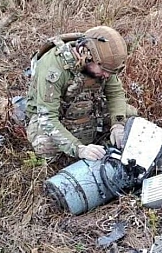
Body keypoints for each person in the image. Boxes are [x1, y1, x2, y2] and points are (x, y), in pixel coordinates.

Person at [25, 26, 138, 161]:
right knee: (45, 145)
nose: (107, 75)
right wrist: (79, 149)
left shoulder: (103, 63)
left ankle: (97, 135)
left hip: (88, 107)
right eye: (104, 70)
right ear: (87, 55)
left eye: (110, 72)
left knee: (130, 116)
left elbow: (115, 93)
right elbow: (48, 118)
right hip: (59, 115)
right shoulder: (54, 68)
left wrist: (117, 125)